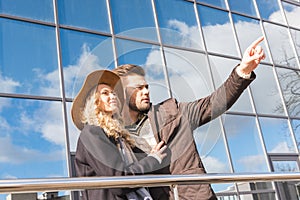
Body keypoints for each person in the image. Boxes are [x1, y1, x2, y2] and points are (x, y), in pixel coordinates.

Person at [112, 36, 266, 200]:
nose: (146, 91)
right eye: (138, 88)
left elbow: (213, 103)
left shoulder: (173, 112)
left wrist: (243, 70)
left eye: (146, 86)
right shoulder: (115, 135)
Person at [71, 69, 168, 200]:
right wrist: (153, 159)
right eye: (105, 93)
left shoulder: (118, 136)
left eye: (114, 93)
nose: (113, 96)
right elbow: (119, 180)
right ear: (94, 101)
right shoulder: (92, 133)